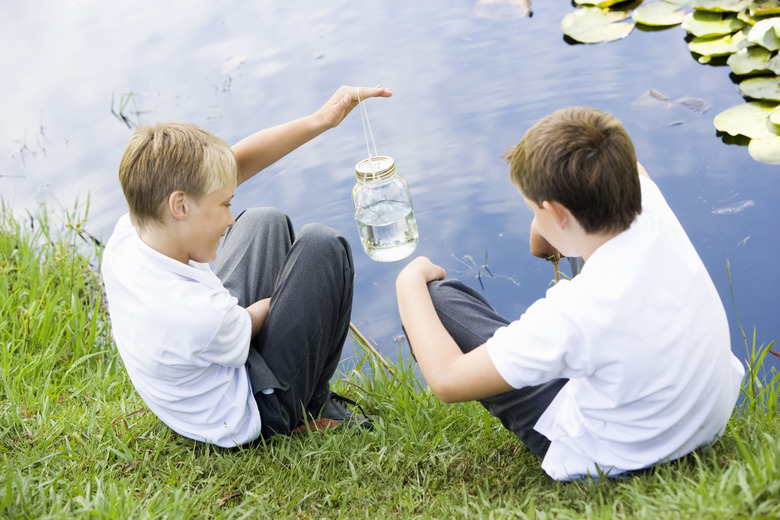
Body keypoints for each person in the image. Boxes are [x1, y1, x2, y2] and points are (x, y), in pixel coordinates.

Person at [395, 106, 744, 480]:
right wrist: (546, 216)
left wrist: (409, 280)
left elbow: (447, 380)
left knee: (435, 301)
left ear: (558, 212)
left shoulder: (576, 310)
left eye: (533, 208)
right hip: (703, 421)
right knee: (587, 242)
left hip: (625, 456)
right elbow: (620, 177)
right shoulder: (649, 203)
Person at [102, 85, 392, 447]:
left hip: (206, 366)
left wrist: (321, 120)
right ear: (180, 207)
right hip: (247, 413)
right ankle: (310, 407)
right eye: (224, 205)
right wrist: (298, 294)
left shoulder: (129, 234)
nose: (229, 220)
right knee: (323, 249)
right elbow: (240, 322)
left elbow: (233, 166)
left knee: (263, 219)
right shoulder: (192, 315)